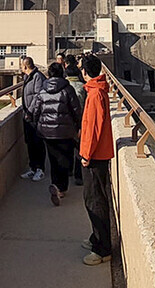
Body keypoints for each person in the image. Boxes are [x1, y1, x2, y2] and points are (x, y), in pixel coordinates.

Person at [78, 54, 114, 266]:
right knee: (93, 197)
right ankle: (96, 239)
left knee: (95, 200)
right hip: (97, 153)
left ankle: (103, 249)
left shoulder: (95, 94)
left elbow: (93, 128)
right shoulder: (96, 90)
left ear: (85, 72)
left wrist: (86, 154)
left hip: (95, 155)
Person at [31, 62, 82, 206]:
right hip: (66, 131)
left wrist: (37, 125)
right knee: (65, 158)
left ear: (49, 74)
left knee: (53, 158)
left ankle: (55, 184)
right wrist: (78, 126)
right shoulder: (68, 89)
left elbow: (36, 110)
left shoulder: (42, 90)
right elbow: (76, 110)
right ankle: (62, 188)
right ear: (62, 73)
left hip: (47, 131)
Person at [19, 56, 47, 181]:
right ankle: (33, 168)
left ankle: (40, 169)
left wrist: (30, 110)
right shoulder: (27, 77)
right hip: (27, 115)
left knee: (37, 141)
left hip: (35, 115)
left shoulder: (37, 77)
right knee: (29, 141)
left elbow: (38, 96)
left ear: (25, 66)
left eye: (21, 66)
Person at [64, 55, 86, 185]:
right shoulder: (83, 87)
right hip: (81, 121)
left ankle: (68, 171)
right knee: (79, 149)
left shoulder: (65, 87)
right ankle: (79, 176)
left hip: (67, 122)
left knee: (67, 148)